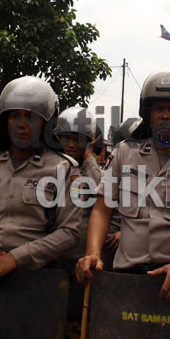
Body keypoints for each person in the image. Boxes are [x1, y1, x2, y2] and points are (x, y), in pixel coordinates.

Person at [75, 69, 170, 301]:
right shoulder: (125, 153)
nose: (166, 115)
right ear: (148, 114)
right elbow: (102, 210)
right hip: (126, 278)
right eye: (159, 109)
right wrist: (92, 254)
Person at [0, 76, 81, 286]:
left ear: (46, 123)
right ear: (5, 121)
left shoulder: (65, 170)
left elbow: (69, 232)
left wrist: (16, 258)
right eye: (15, 116)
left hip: (36, 280)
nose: (21, 124)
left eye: (30, 117)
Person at [55, 107, 121, 264]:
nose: (71, 145)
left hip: (86, 259)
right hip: (53, 257)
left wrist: (89, 158)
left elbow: (108, 210)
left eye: (78, 139)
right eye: (66, 139)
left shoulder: (97, 173)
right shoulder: (50, 170)